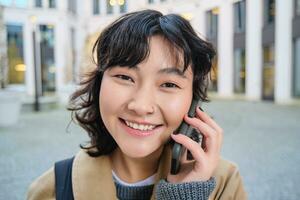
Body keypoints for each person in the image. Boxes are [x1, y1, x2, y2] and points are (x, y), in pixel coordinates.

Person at [27, 9, 247, 200]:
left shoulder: (223, 184)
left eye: (169, 84)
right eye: (125, 77)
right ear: (99, 85)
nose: (141, 106)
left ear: (193, 100)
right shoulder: (54, 188)